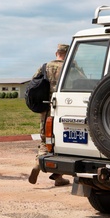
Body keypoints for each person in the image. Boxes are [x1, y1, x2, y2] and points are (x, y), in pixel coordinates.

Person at [28, 44, 69, 186]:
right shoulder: (71, 65)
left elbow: (34, 83)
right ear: (68, 53)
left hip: (47, 108)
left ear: (56, 52)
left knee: (46, 138)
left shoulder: (45, 66)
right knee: (65, 140)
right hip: (65, 108)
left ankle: (38, 164)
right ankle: (58, 176)